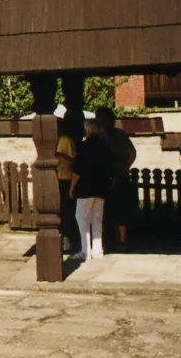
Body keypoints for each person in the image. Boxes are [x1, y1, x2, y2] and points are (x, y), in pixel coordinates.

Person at [68, 117, 113, 262]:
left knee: (81, 218)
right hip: (101, 186)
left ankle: (85, 250)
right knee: (97, 218)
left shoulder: (84, 146)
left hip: (85, 187)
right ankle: (98, 250)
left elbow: (77, 170)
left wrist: (72, 187)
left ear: (87, 130)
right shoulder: (105, 146)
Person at [95, 107, 137, 248]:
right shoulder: (120, 135)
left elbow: (131, 152)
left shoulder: (102, 137)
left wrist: (124, 168)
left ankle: (118, 240)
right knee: (117, 209)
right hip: (115, 175)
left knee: (114, 208)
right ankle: (119, 239)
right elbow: (132, 153)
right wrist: (126, 167)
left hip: (111, 176)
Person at [55, 111, 81, 254]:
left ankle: (68, 240)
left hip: (66, 178)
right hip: (57, 178)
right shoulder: (55, 140)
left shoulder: (65, 141)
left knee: (66, 212)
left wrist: (59, 155)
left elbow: (73, 161)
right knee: (59, 211)